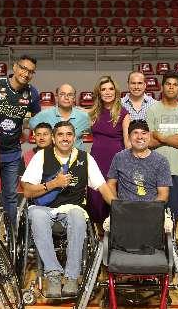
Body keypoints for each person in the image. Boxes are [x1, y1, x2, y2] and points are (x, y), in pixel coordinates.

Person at [21, 121, 115, 298]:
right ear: (54, 139)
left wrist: (119, 207)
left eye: (69, 134)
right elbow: (27, 190)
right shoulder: (41, 156)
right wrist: (53, 184)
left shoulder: (85, 157)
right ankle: (54, 274)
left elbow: (102, 187)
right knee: (35, 214)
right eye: (60, 135)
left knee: (78, 215)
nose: (65, 138)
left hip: (72, 209)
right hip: (45, 209)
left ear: (75, 138)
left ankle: (72, 277)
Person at [0, 54, 40, 225]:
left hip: (12, 152)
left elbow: (37, 118)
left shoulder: (32, 93)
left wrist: (27, 129)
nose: (26, 74)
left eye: (31, 72)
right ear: (15, 67)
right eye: (23, 68)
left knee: (10, 195)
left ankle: (10, 232)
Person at [147, 71, 178, 227]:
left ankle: (172, 247)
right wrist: (173, 138)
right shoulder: (152, 110)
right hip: (154, 170)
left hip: (176, 170)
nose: (171, 87)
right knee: (154, 212)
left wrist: (161, 136)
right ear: (162, 86)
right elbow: (148, 142)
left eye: (175, 85)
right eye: (168, 84)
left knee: (174, 215)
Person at [88, 76, 131, 230]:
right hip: (96, 159)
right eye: (103, 89)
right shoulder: (93, 113)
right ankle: (100, 236)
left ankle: (116, 235)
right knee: (96, 197)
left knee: (113, 195)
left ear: (116, 91)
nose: (107, 92)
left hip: (115, 160)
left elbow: (127, 142)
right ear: (98, 92)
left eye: (111, 89)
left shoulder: (124, 113)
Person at [107, 120, 171, 202]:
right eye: (135, 133)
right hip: (124, 210)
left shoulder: (161, 161)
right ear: (129, 136)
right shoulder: (119, 157)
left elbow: (163, 194)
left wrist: (152, 210)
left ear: (149, 136)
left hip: (151, 210)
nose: (140, 137)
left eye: (144, 133)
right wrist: (117, 206)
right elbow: (111, 184)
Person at [28, 83, 90, 150]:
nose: (66, 97)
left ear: (74, 98)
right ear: (56, 97)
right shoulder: (44, 114)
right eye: (62, 94)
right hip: (52, 158)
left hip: (78, 158)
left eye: (70, 95)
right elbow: (31, 125)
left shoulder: (84, 116)